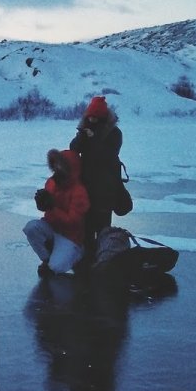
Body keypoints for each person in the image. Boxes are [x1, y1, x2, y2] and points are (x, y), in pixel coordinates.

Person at [69, 95, 123, 252]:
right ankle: (86, 261)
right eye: (89, 117)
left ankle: (103, 261)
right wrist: (81, 136)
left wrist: (94, 140)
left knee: (102, 229)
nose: (92, 120)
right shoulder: (86, 130)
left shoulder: (114, 133)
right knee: (85, 228)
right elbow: (73, 149)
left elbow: (109, 155)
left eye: (95, 117)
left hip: (105, 188)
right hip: (86, 187)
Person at [23, 148, 90, 276]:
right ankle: (47, 259)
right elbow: (46, 209)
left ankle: (77, 254)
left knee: (56, 267)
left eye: (61, 166)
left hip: (71, 236)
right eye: (56, 165)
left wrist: (52, 207)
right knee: (31, 228)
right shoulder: (51, 183)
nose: (57, 169)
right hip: (52, 228)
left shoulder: (79, 191)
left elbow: (73, 222)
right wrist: (42, 203)